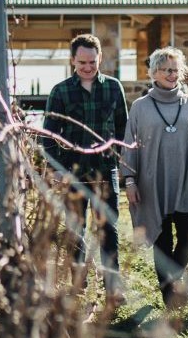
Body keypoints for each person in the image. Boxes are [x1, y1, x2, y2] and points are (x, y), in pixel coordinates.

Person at [121, 47, 188, 310]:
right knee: (161, 241)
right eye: (166, 70)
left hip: (186, 182)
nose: (172, 75)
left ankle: (171, 277)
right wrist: (130, 181)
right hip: (152, 184)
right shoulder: (140, 107)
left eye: (176, 70)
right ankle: (169, 296)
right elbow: (129, 145)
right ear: (154, 73)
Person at [43, 34, 128, 278]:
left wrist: (121, 161)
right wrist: (57, 168)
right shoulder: (60, 92)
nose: (88, 68)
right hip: (73, 170)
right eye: (82, 63)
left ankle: (113, 285)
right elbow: (48, 135)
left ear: (99, 57)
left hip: (105, 168)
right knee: (75, 229)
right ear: (73, 61)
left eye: (92, 62)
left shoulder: (114, 88)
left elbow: (123, 128)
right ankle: (78, 283)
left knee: (108, 228)